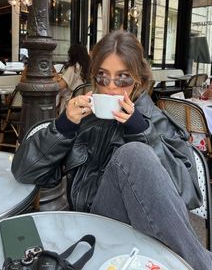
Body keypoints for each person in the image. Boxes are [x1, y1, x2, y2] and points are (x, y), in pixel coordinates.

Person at [12, 30, 212, 270]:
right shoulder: (84, 120)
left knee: (134, 153)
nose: (110, 88)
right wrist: (63, 127)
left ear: (138, 79)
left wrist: (141, 131)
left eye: (123, 78)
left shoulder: (157, 122)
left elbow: (188, 194)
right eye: (103, 77)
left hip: (143, 229)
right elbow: (24, 172)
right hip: (90, 226)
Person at [55, 43, 90, 113]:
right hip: (83, 99)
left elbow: (60, 86)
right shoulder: (86, 67)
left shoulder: (73, 68)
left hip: (71, 101)